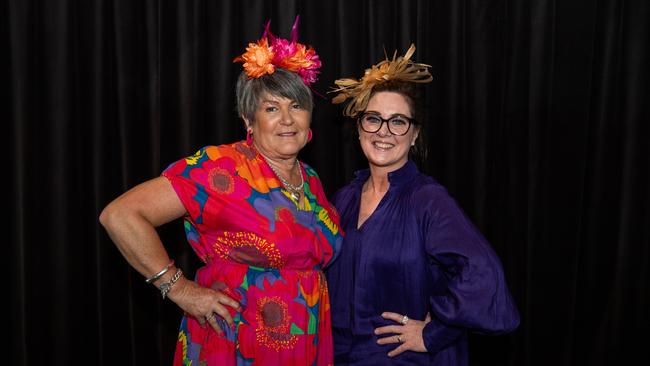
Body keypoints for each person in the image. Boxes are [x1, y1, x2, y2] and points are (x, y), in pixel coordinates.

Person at [99, 17, 343, 365]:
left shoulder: (311, 178)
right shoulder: (221, 167)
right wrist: (179, 288)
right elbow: (120, 215)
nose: (287, 119)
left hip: (306, 342)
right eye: (271, 108)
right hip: (237, 341)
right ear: (248, 121)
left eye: (297, 107)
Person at [326, 44, 520, 365]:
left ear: (414, 135)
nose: (384, 131)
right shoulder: (342, 198)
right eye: (373, 119)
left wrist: (434, 335)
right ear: (359, 127)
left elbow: (483, 274)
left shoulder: (428, 200)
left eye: (398, 121)